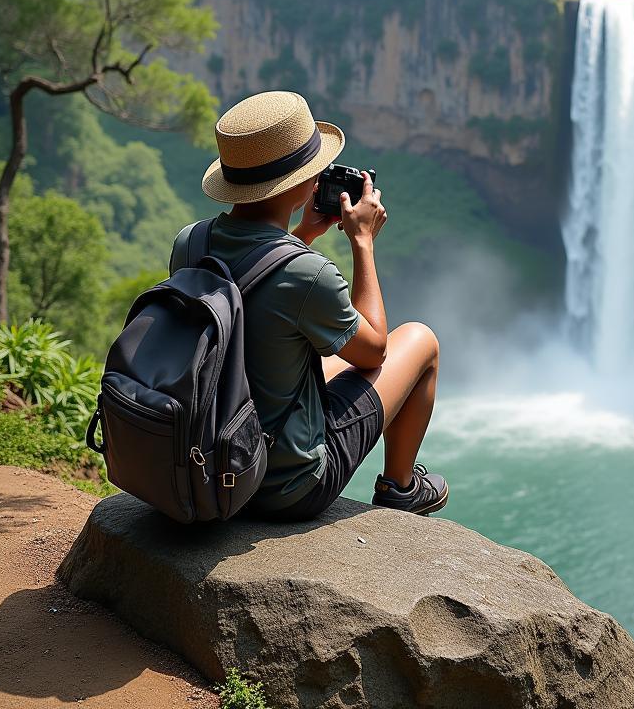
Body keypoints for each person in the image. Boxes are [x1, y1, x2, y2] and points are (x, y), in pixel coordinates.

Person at [168, 89, 448, 521]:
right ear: (304, 184)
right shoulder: (308, 274)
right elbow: (374, 350)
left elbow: (250, 297)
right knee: (420, 341)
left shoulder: (190, 241)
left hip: (210, 457)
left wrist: (303, 234)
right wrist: (363, 243)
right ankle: (400, 486)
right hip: (283, 488)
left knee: (332, 363)